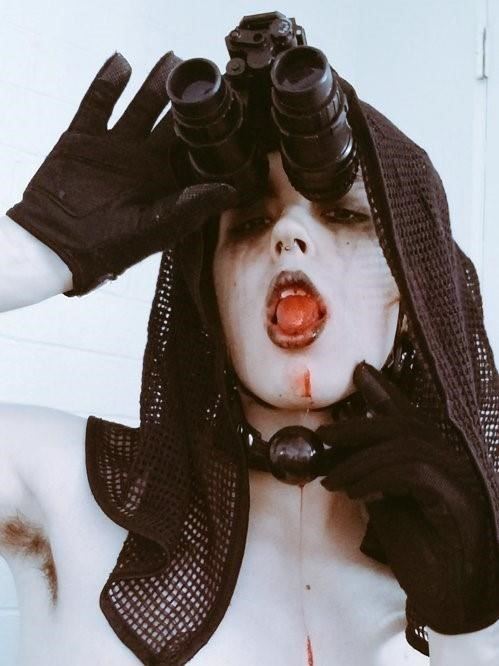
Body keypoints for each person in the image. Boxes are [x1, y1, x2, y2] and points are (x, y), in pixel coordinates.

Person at [1, 35, 499, 666]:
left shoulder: (471, 545)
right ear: (208, 294)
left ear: (411, 295)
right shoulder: (57, 488)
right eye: (250, 222)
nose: (289, 232)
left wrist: (473, 623)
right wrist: (26, 259)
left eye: (344, 216)